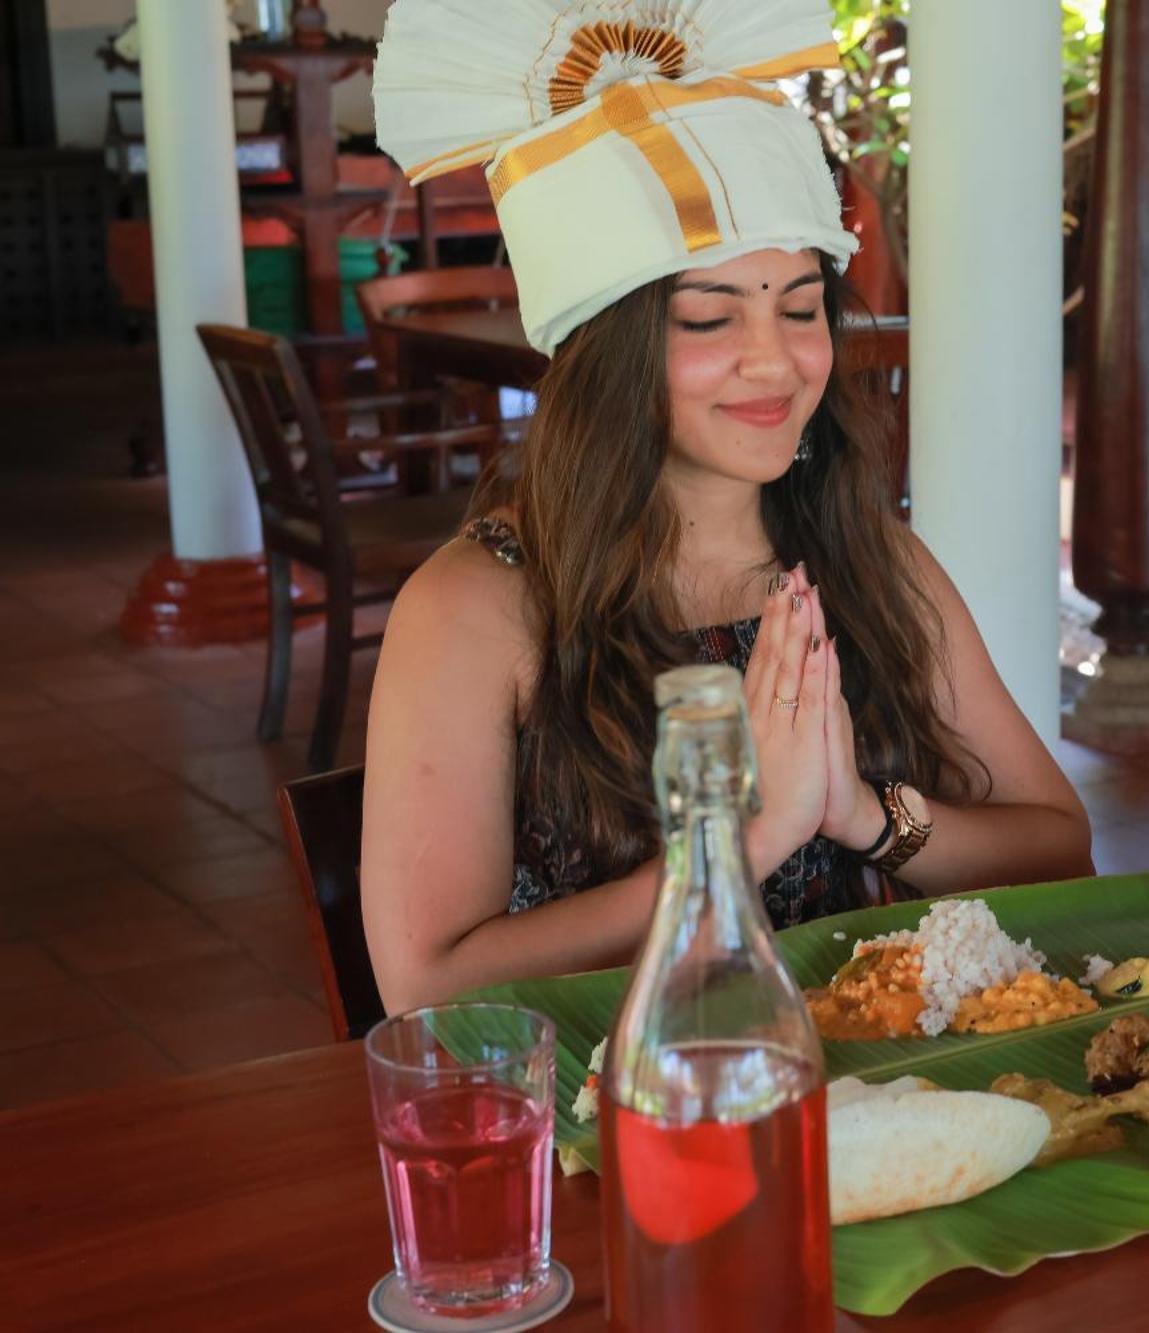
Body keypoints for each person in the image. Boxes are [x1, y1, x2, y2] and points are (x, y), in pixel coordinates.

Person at [362, 0, 1093, 1014]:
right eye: (710, 317)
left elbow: (1060, 846)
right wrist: (746, 840)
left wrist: (860, 814)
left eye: (800, 309)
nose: (776, 360)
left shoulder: (860, 554)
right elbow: (426, 985)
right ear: (604, 355)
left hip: (874, 1092)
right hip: (622, 1118)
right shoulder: (476, 608)